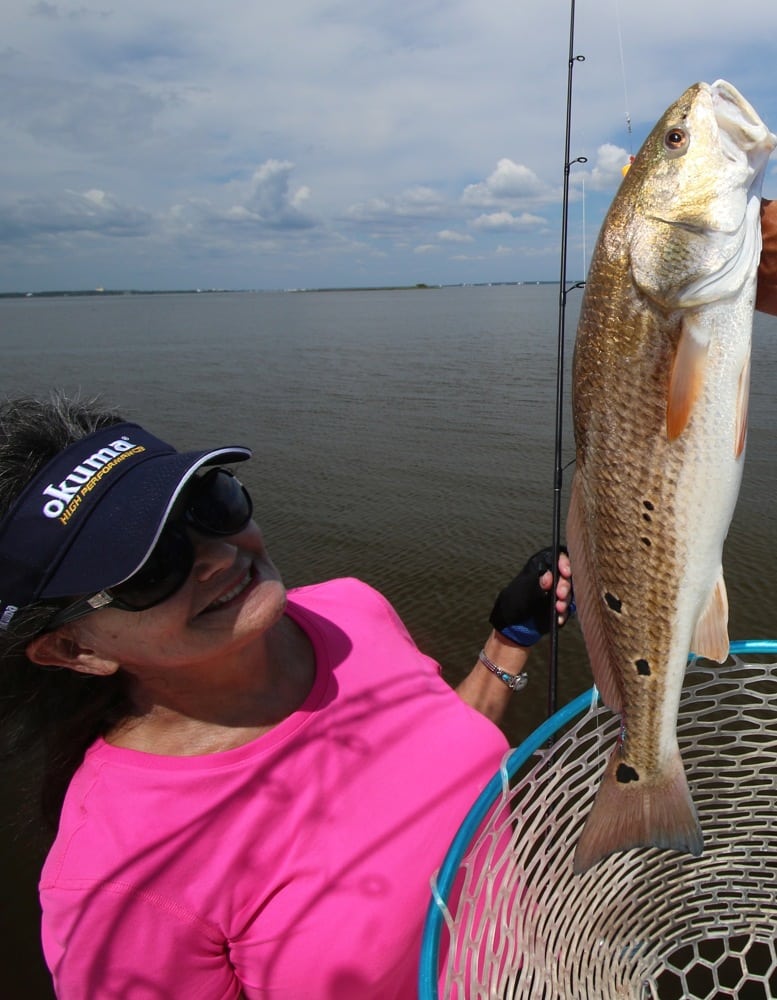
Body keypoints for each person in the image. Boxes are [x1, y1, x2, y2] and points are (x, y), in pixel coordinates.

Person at [0, 392, 572, 999]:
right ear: (74, 651)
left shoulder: (350, 608)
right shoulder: (116, 881)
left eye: (208, 504)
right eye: (148, 567)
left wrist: (507, 643)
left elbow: (433, 759)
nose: (220, 555)